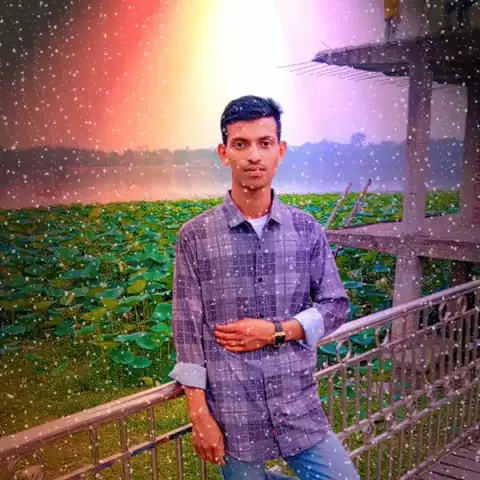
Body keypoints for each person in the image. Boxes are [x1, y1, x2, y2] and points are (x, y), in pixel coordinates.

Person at [169, 95, 360, 480]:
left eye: (265, 143)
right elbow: (187, 331)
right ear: (224, 153)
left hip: (297, 404)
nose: (254, 155)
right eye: (241, 144)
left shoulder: (305, 229)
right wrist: (199, 414)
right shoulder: (195, 237)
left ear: (280, 150)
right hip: (233, 411)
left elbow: (335, 305)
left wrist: (277, 331)